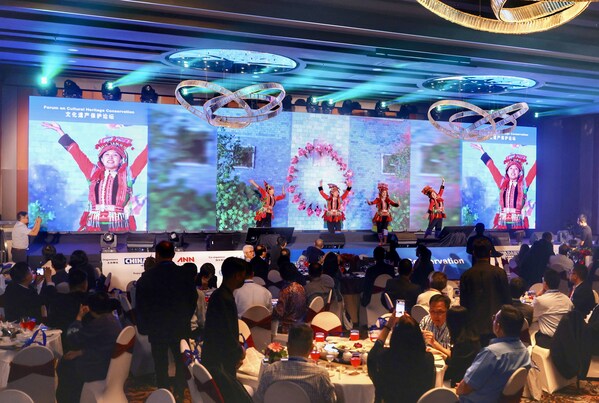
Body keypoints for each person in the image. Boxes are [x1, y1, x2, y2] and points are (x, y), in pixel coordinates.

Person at [42, 121, 148, 231]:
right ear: (101, 159)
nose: (110, 158)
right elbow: (76, 153)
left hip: (118, 225)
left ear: (121, 160)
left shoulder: (128, 174)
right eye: (106, 154)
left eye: (115, 155)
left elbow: (144, 156)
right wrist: (60, 131)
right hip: (94, 224)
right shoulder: (92, 172)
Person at [136, 241, 197, 399]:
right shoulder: (184, 275)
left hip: (157, 328)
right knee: (181, 362)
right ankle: (179, 392)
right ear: (174, 255)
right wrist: (185, 317)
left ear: (157, 255)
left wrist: (145, 326)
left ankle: (164, 395)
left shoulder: (146, 278)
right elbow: (193, 299)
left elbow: (141, 305)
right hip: (180, 326)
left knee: (160, 364)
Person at [201, 257, 252, 403]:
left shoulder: (221, 295)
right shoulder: (224, 298)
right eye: (242, 275)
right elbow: (225, 333)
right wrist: (238, 352)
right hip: (220, 361)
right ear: (236, 275)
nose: (243, 278)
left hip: (219, 357)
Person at [56, 292, 122, 403]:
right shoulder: (113, 319)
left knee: (65, 364)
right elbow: (102, 347)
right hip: (109, 363)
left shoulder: (100, 323)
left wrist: (79, 317)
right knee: (71, 358)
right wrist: (81, 352)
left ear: (89, 308)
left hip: (99, 367)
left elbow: (73, 338)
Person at [456, 305, 531, 402]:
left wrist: (460, 388)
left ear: (498, 326)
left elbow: (464, 389)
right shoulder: (524, 351)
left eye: (494, 318)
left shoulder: (492, 354)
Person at [254, 324, 336, 403]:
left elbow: (258, 399)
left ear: (287, 346)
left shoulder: (270, 371)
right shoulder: (320, 375)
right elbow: (332, 401)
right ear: (311, 349)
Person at [368, 313, 435, 403]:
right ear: (418, 336)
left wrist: (388, 325)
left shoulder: (384, 357)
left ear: (395, 337)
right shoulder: (427, 359)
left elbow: (373, 353)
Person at [470, 143, 537, 230]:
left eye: (516, 169)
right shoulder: (501, 182)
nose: (513, 171)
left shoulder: (524, 183)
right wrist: (482, 151)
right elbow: (492, 167)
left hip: (518, 224)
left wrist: (544, 153)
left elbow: (534, 170)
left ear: (520, 171)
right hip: (502, 223)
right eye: (511, 169)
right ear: (507, 171)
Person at [460, 238, 511, 347]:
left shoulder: (466, 275)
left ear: (473, 253)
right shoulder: (499, 273)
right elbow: (507, 300)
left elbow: (463, 304)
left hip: (474, 327)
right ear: (490, 252)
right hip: (496, 326)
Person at [47, 269, 89, 351]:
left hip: (62, 343)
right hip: (86, 345)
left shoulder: (58, 301)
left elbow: (51, 323)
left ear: (69, 284)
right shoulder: (91, 301)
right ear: (85, 284)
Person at [532, 269, 574, 348]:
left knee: (532, 327)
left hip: (548, 341)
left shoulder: (540, 300)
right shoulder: (567, 300)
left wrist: (538, 296)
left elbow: (532, 318)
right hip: (565, 339)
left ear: (545, 283)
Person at [444, 306, 481, 387]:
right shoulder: (472, 337)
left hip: (461, 385)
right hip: (470, 382)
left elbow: (453, 371)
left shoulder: (463, 343)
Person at [274, 262, 307, 332]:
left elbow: (279, 312)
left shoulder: (285, 291)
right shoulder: (300, 287)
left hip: (287, 327)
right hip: (301, 323)